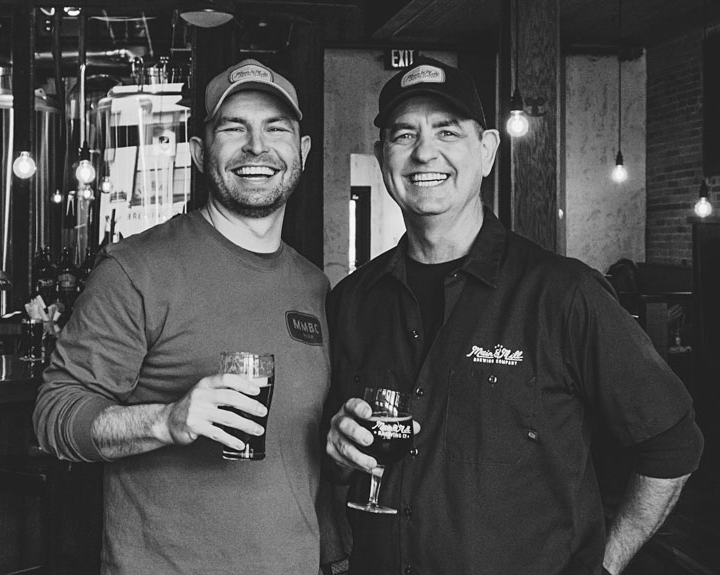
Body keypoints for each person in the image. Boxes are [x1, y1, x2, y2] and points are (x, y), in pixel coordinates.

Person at [324, 57, 703, 575]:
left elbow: (673, 443)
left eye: (447, 131)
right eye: (403, 134)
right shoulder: (352, 301)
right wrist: (340, 460)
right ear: (381, 156)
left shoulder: (564, 295)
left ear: (486, 152)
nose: (424, 151)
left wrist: (604, 566)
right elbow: (333, 463)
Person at [34, 59, 330, 575]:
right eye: (233, 128)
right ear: (198, 153)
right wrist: (166, 420)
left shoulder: (316, 287)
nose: (257, 147)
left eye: (275, 128)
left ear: (301, 152)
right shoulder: (137, 270)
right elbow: (53, 416)